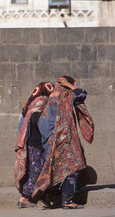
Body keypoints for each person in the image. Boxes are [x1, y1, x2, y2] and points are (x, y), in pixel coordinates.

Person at [33, 76, 94, 209]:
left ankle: (47, 195)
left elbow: (42, 122)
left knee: (53, 169)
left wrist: (49, 139)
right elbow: (82, 94)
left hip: (49, 140)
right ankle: (67, 201)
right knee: (74, 165)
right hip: (64, 139)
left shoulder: (52, 96)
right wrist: (70, 85)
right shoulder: (66, 94)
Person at [14, 82, 54, 208]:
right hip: (36, 143)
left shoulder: (31, 102)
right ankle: (25, 198)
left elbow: (22, 125)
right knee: (36, 171)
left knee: (35, 169)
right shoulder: (42, 101)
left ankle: (40, 195)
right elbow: (39, 121)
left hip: (31, 142)